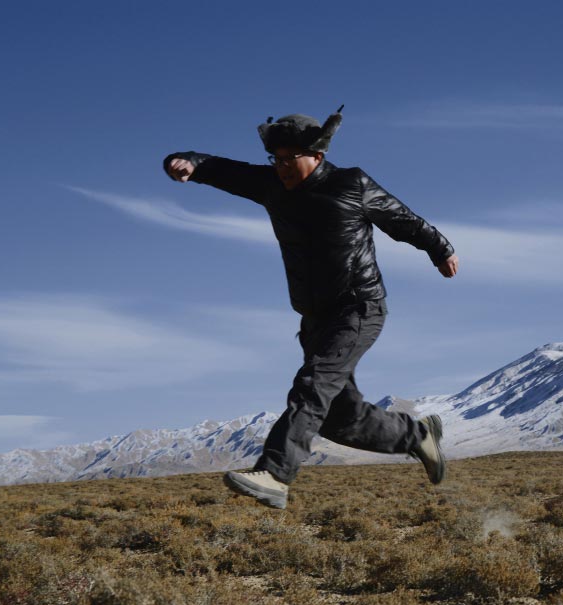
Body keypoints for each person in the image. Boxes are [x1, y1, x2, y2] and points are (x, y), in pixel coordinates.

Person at [162, 106, 459, 509]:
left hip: (358, 308)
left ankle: (275, 474)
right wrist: (185, 163)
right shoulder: (270, 185)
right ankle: (417, 436)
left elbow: (404, 220)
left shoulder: (350, 183)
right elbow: (218, 167)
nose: (282, 167)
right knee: (340, 419)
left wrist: (440, 250)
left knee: (312, 386)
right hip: (314, 317)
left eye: (291, 159)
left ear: (316, 155)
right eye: (277, 159)